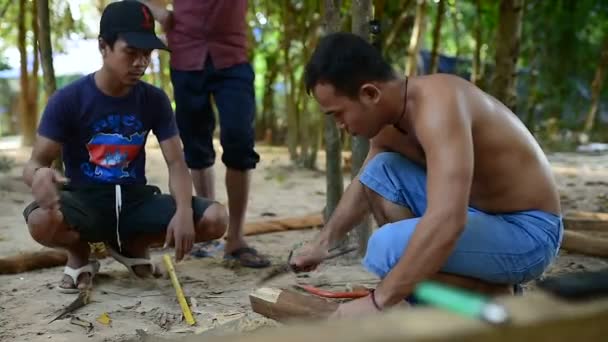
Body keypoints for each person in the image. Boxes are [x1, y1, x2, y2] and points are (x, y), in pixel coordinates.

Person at [291, 32, 563, 318]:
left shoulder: (439, 106)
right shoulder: (388, 123)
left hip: (528, 233)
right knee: (380, 171)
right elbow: (365, 183)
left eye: (338, 114)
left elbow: (448, 219)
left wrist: (377, 302)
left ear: (370, 93)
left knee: (386, 248)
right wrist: (321, 244)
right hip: (480, 218)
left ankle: (493, 295)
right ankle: (446, 292)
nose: (340, 125)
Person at [21, 1, 228, 293]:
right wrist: (38, 177)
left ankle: (133, 245)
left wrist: (183, 211)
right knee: (41, 220)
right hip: (83, 201)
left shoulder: (154, 100)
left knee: (215, 218)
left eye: (147, 54)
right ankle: (80, 254)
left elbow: (176, 163)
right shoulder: (68, 100)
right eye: (131, 52)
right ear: (103, 47)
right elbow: (34, 164)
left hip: (135, 201)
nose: (141, 63)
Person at [140, 0, 269, 268]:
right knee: (196, 147)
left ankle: (235, 239)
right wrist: (159, 11)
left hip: (232, 56)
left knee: (239, 142)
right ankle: (209, 233)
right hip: (186, 57)